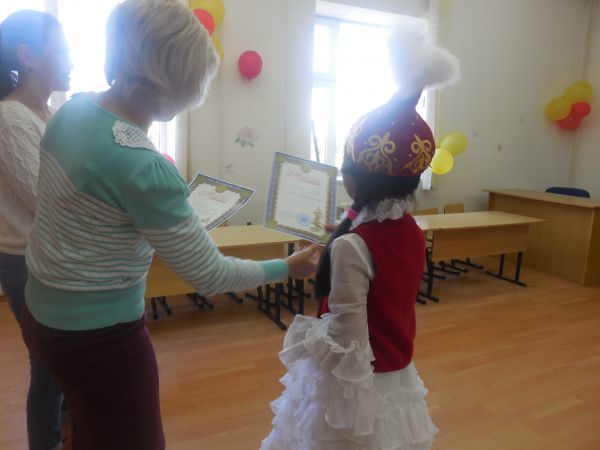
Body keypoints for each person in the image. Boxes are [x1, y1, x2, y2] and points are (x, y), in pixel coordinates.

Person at [18, 1, 319, 449]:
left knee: (89, 422)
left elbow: (83, 211)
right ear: (172, 84)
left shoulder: (71, 111)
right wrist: (287, 267)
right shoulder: (143, 166)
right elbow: (209, 275)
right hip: (99, 337)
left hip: (42, 311)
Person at [260, 26, 460, 450]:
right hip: (395, 370)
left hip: (356, 385)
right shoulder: (409, 228)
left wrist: (306, 338)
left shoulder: (355, 245)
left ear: (356, 179)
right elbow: (378, 261)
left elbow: (347, 340)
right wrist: (342, 236)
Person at [0, 10, 72, 450]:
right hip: (27, 263)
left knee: (62, 363)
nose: (71, 60)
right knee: (47, 369)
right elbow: (48, 199)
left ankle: (68, 433)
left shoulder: (50, 113)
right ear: (27, 56)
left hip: (55, 258)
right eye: (61, 50)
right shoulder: (10, 119)